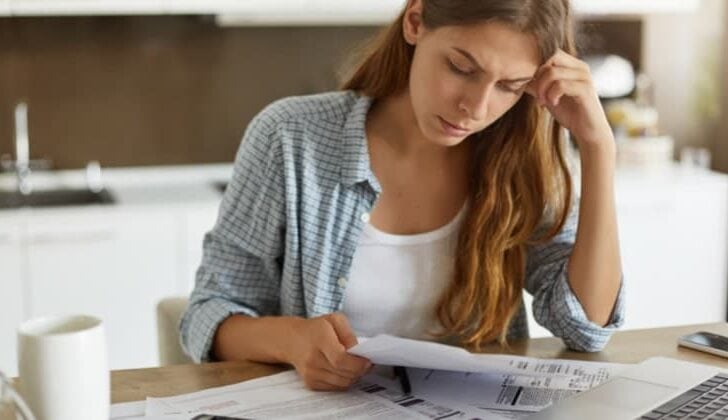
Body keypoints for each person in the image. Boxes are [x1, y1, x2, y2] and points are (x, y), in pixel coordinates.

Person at [180, 0, 625, 392]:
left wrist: (598, 147)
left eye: (509, 86)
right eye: (462, 68)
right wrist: (294, 340)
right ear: (415, 21)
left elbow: (585, 327)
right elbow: (209, 314)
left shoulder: (524, 159)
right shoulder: (292, 138)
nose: (477, 106)